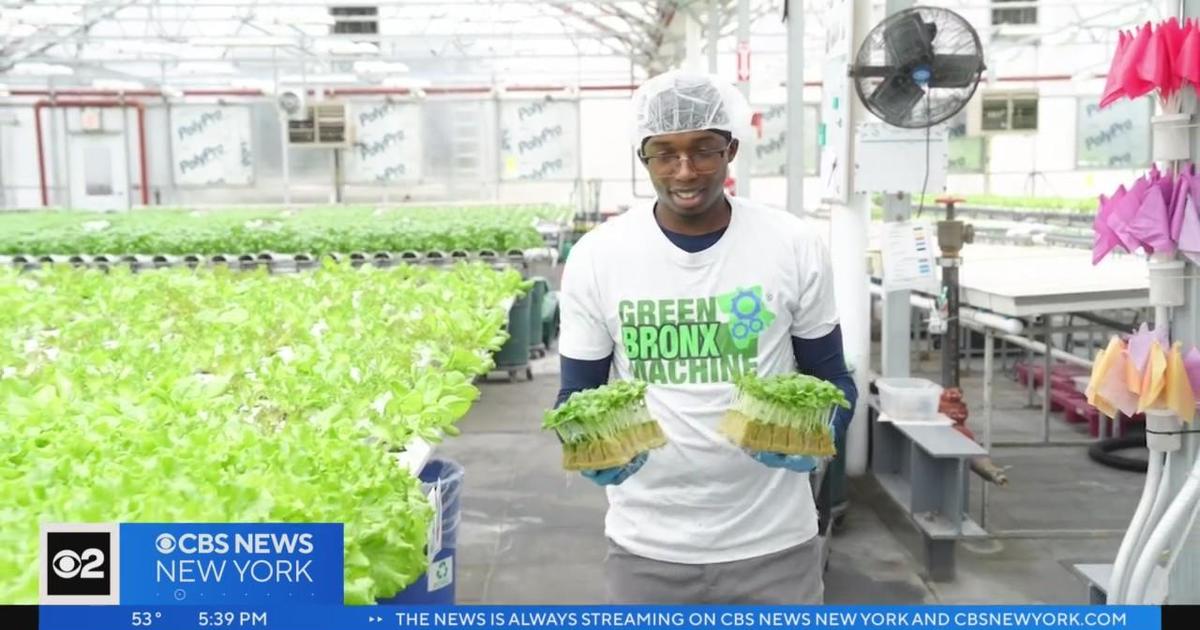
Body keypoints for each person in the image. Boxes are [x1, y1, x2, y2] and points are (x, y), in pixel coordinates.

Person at [554, 69, 858, 605]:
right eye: (664, 153)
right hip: (645, 545)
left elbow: (833, 379)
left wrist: (819, 438)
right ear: (643, 157)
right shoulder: (599, 256)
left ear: (732, 149)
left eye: (704, 150)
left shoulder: (791, 244)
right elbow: (574, 397)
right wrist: (587, 446)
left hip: (774, 544)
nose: (685, 170)